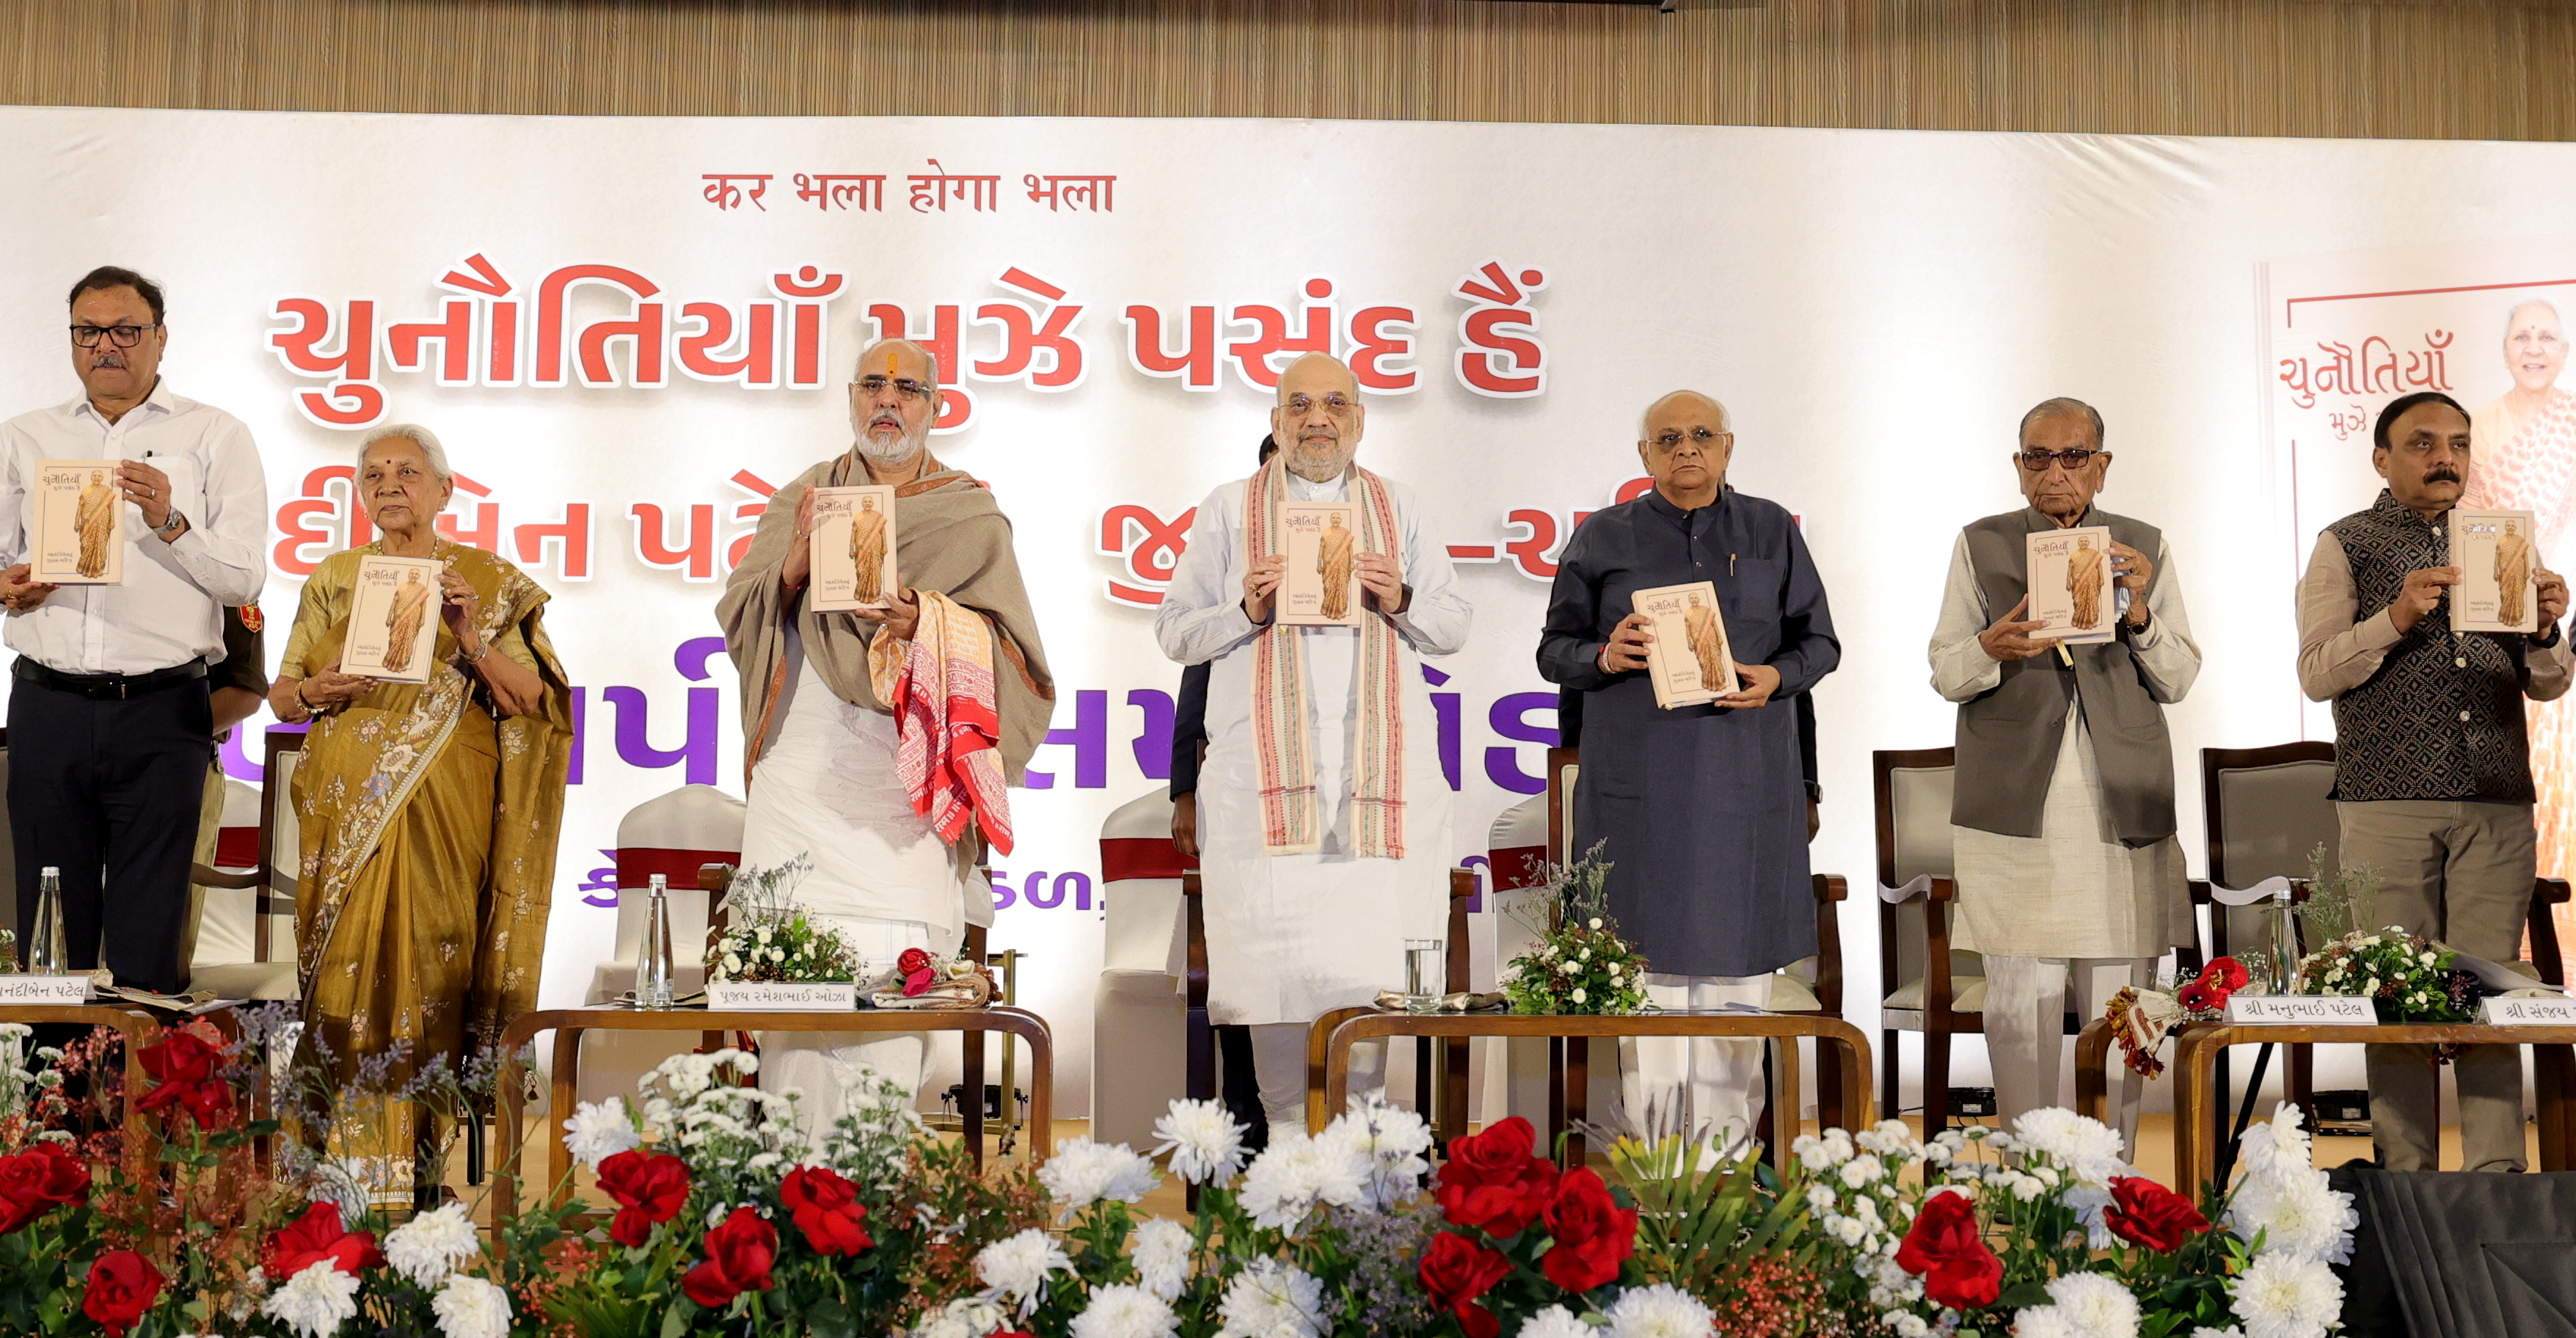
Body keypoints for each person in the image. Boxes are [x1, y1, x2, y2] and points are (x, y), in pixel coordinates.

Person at [718, 339, 1052, 1125]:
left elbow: (1014, 654)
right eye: (872, 384)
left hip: (906, 781)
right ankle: (791, 1180)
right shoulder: (804, 497)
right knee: (789, 988)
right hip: (800, 774)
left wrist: (924, 622)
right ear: (851, 397)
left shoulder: (968, 515)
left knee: (900, 990)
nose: (887, 400)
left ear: (935, 407)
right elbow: (740, 612)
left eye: (907, 388)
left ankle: (869, 1173)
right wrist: (793, 565)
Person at [1156, 353, 1470, 1132]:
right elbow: (1175, 632)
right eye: (1299, 405)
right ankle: (1288, 1156)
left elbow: (1452, 626)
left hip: (1377, 805)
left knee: (1368, 989)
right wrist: (1243, 610)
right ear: (1277, 421)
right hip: (1263, 805)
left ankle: (1358, 1166)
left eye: (1334, 404)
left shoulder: (1401, 506)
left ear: (1359, 419)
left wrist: (1399, 596)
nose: (1317, 419)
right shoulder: (1227, 509)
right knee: (1276, 989)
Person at [269, 423, 571, 1193]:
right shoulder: (336, 576)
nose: (390, 485)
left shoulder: (484, 582)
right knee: (341, 970)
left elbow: (530, 698)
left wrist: (468, 634)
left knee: (434, 957)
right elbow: (284, 694)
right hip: (343, 808)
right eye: (373, 475)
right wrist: (318, 688)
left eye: (407, 472)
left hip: (445, 803)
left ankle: (419, 1168)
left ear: (445, 489)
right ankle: (328, 1170)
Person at [1537, 391, 1840, 1146]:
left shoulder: (1770, 528)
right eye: (1667, 438)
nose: (1686, 448)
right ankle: (1663, 1172)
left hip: (1746, 793)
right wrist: (1606, 653)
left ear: (1728, 446)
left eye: (1702, 434)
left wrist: (1777, 676)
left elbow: (1820, 643)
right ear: (1643, 455)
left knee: (1739, 995)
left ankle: (1727, 1171)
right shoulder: (1601, 535)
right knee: (1649, 991)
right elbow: (1554, 651)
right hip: (1638, 799)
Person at [2297, 390, 2573, 1173]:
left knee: (2491, 991)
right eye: (2422, 443)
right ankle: (2405, 1179)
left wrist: (2545, 629)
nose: (2444, 457)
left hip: (2495, 796)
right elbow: (2315, 671)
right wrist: (2396, 615)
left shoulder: (2501, 540)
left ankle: (2497, 1181)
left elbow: (2549, 683)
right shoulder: (2344, 542)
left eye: (2457, 443)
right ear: (2381, 459)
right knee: (2394, 993)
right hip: (2386, 800)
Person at [1928, 396, 2197, 1146]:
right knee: (2020, 1006)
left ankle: (2114, 1174)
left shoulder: (2143, 545)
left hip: (2122, 805)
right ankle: (2028, 1175)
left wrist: (2138, 612)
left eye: (2073, 456)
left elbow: (2179, 676)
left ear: (2101, 466)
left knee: (2124, 1008)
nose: (2056, 471)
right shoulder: (1980, 542)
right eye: (2038, 457)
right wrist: (1990, 646)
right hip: (2015, 808)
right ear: (2017, 467)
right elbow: (1946, 670)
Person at [0, 266, 268, 994]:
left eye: (125, 330)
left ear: (161, 337)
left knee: (149, 934)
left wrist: (172, 523)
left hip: (162, 710)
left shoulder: (216, 434)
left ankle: (143, 1073)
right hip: (48, 706)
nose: (106, 345)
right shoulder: (26, 436)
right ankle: (54, 1073)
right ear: (72, 340)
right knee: (50, 930)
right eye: (89, 331)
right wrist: (8, 587)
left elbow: (245, 580)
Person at [1171, 432, 1279, 1149]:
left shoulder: (1359, 557)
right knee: (1240, 963)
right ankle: (1244, 1127)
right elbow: (1196, 677)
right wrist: (1184, 790)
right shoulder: (1233, 566)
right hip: (1240, 797)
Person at [180, 603, 269, 977]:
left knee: (169, 915)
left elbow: (246, 687)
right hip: (79, 752)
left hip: (182, 764)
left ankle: (156, 1003)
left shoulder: (228, 587)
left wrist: (164, 737)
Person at [382, 568, 431, 674]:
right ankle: (389, 662)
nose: (414, 575)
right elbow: (394, 602)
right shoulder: (402, 586)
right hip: (399, 616)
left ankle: (402, 664)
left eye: (416, 574)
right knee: (394, 639)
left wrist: (423, 617)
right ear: (409, 574)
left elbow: (423, 604)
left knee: (408, 640)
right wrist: (389, 616)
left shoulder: (421, 588)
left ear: (419, 576)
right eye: (412, 573)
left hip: (413, 617)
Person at [851, 494, 889, 603]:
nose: (867, 504)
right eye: (865, 502)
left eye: (869, 502)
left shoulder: (877, 516)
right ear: (862, 503)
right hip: (861, 547)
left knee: (875, 570)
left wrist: (885, 545)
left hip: (876, 546)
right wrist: (851, 547)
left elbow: (882, 531)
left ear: (873, 504)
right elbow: (854, 532)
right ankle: (861, 594)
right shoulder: (858, 517)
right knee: (861, 571)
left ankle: (874, 594)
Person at [1317, 512, 1355, 621]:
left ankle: (1340, 612)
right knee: (1328, 586)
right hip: (1329, 564)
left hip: (1343, 563)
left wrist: (1352, 562)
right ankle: (1328, 610)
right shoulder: (1326, 532)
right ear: (1330, 519)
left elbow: (1350, 548)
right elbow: (1321, 549)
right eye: (1333, 517)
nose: (1335, 520)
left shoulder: (1345, 533)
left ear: (1341, 520)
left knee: (1342, 586)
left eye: (1338, 518)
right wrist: (1319, 564)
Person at [2499, 518, 2532, 628]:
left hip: (2518, 571)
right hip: (2505, 571)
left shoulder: (2520, 540)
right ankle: (2505, 617)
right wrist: (2496, 571)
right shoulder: (2501, 540)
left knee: (2518, 594)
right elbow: (2498, 556)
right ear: (2505, 527)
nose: (2510, 527)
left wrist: (2527, 570)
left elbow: (2525, 556)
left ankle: (2517, 618)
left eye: (2512, 526)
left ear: (2516, 528)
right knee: (2505, 594)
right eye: (2508, 525)